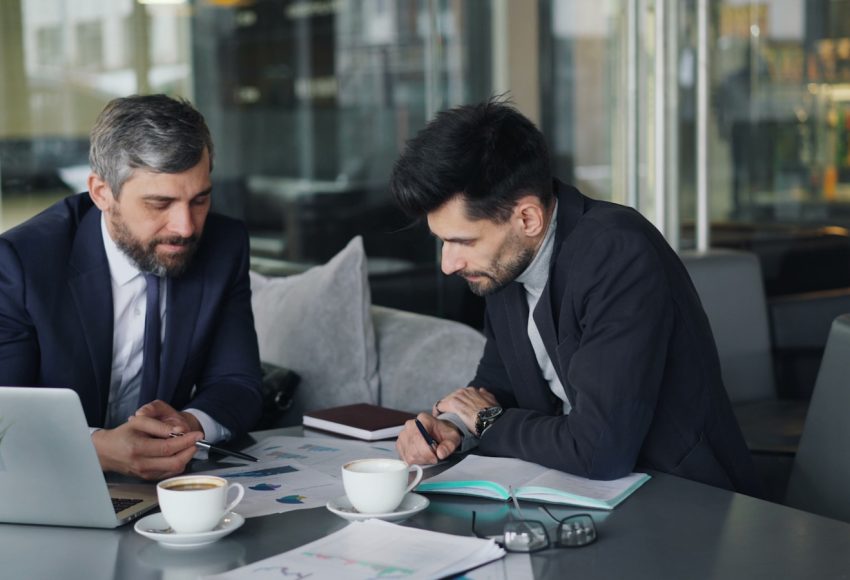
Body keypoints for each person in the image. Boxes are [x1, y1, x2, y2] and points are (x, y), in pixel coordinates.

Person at [390, 99, 761, 496]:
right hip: (579, 491)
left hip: (683, 498)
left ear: (527, 218)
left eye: (461, 241)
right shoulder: (505, 263)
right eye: (442, 242)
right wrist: (454, 426)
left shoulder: (615, 254)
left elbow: (601, 447)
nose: (448, 264)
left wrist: (488, 422)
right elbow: (498, 384)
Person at [0, 95, 263, 480]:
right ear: (101, 192)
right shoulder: (20, 263)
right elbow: (6, 413)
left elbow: (237, 383)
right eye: (160, 203)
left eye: (200, 199)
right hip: (48, 481)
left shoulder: (225, 246)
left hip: (167, 487)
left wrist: (188, 423)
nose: (186, 227)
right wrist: (96, 449)